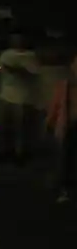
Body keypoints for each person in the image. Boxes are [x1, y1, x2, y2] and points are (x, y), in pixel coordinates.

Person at [0, 33, 42, 161]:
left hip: (22, 98)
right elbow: (0, 71)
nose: (17, 41)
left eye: (19, 39)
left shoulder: (30, 57)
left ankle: (19, 154)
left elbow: (34, 74)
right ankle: (2, 151)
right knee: (2, 126)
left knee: (20, 128)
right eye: (14, 39)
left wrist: (17, 70)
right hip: (5, 96)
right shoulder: (6, 54)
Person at [48, 51, 77, 203]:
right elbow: (56, 105)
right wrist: (50, 122)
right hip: (69, 125)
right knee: (67, 158)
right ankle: (65, 188)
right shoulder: (65, 85)